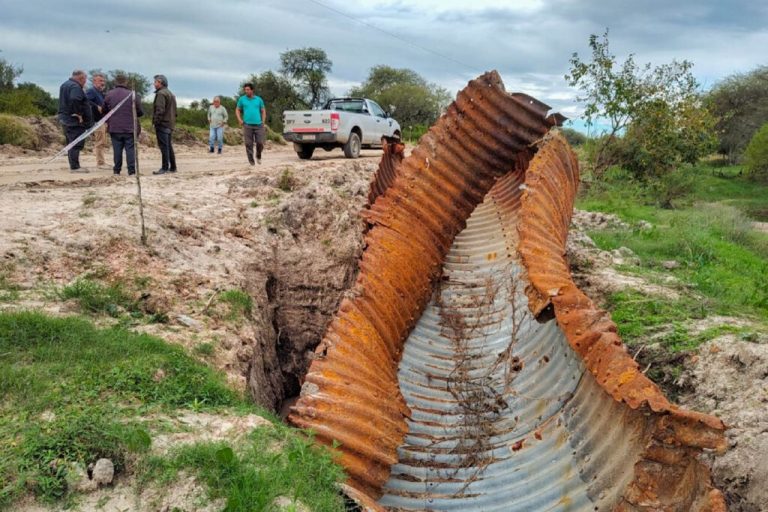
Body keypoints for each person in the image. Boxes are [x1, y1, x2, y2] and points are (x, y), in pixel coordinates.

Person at [103, 74, 143, 175]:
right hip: (129, 127)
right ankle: (131, 171)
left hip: (114, 127)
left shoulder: (109, 94)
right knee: (130, 149)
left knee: (117, 150)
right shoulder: (133, 94)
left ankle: (116, 170)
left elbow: (104, 110)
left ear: (115, 82)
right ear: (126, 82)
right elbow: (140, 112)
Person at [57, 69, 92, 172]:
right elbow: (75, 99)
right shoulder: (75, 86)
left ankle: (73, 165)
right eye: (85, 80)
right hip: (73, 121)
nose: (85, 82)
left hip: (65, 118)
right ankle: (75, 167)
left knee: (71, 143)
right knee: (76, 143)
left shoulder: (65, 84)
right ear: (81, 78)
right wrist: (79, 114)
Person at [152, 74, 177, 175]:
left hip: (163, 124)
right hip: (170, 123)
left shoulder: (161, 94)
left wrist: (156, 122)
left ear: (160, 82)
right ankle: (173, 167)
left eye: (155, 82)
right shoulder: (170, 93)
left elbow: (160, 110)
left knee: (164, 147)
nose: (154, 84)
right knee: (168, 146)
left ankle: (164, 167)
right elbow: (175, 111)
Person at [235, 83, 266, 165]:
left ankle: (258, 155)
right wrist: (240, 120)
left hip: (259, 125)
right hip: (247, 125)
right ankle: (251, 162)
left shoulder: (259, 99)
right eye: (245, 90)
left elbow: (263, 111)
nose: (246, 91)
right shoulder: (242, 99)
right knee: (248, 144)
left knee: (260, 143)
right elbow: (237, 110)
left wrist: (263, 121)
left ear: (252, 90)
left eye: (248, 90)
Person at [86, 72, 109, 169]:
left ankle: (102, 161)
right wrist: (97, 106)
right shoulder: (91, 91)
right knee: (100, 142)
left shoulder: (100, 93)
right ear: (94, 81)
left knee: (103, 141)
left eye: (103, 81)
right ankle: (100, 163)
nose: (102, 83)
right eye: (100, 81)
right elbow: (86, 101)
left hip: (102, 120)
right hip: (96, 121)